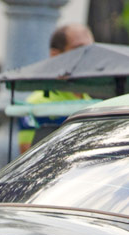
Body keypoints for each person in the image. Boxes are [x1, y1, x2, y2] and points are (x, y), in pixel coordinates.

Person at [17, 24, 95, 154]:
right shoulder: (35, 103)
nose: (87, 56)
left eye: (91, 50)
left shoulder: (95, 105)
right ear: (56, 55)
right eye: (79, 49)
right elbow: (28, 156)